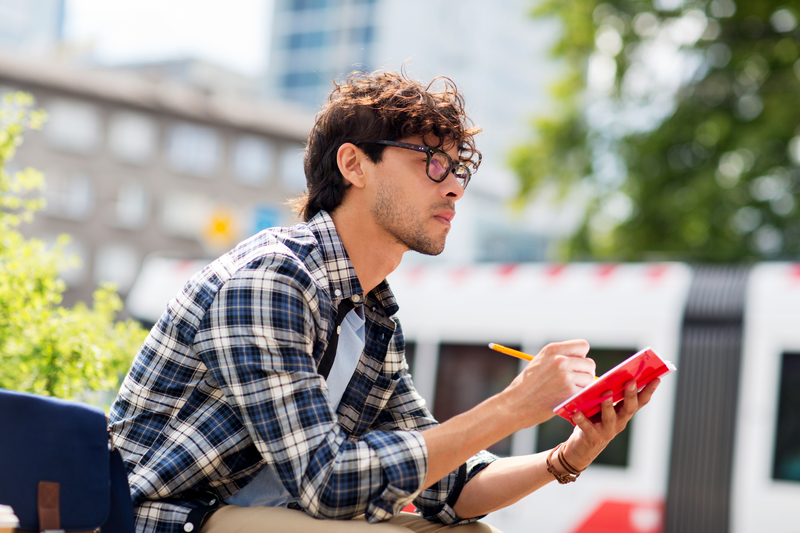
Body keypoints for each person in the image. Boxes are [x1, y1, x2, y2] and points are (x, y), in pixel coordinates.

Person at [108, 70, 660, 533]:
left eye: (458, 168)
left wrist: (565, 458)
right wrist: (514, 406)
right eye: (431, 161)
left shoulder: (372, 316)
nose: (454, 188)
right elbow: (328, 482)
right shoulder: (272, 279)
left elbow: (447, 486)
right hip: (171, 518)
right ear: (354, 165)